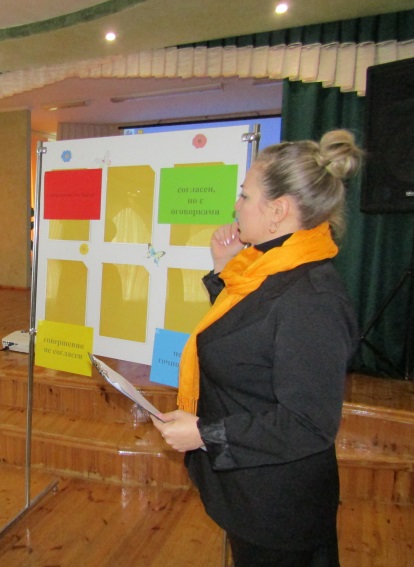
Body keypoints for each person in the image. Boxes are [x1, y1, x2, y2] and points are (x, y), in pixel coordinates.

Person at [154, 130, 363, 566]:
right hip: (252, 493)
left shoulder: (311, 298)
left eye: (245, 195)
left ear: (278, 211)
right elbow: (246, 345)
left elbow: (307, 423)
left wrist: (204, 433)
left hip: (278, 510)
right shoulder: (267, 270)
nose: (236, 206)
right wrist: (223, 271)